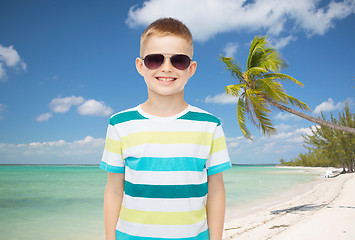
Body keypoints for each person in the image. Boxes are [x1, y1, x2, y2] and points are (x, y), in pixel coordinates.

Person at [100, 17, 231, 240]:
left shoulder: (210, 125)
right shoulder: (119, 124)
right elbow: (114, 189)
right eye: (155, 60)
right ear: (141, 66)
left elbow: (216, 190)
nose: (167, 68)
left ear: (191, 69)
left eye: (178, 60)